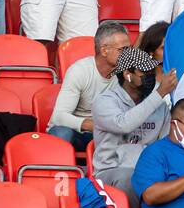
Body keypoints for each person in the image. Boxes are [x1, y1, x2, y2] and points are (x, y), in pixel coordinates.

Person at [91, 46, 177, 208]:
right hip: (111, 170)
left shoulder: (160, 106)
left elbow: (165, 144)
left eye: (152, 71)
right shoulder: (105, 101)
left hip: (148, 170)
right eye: (145, 72)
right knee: (131, 178)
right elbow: (124, 124)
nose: (151, 76)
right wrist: (159, 94)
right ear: (127, 75)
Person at [48, 21, 129, 150]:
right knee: (61, 133)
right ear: (104, 50)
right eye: (122, 50)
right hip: (79, 132)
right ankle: (61, 170)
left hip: (107, 135)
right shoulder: (80, 71)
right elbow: (58, 117)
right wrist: (93, 125)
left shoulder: (127, 75)